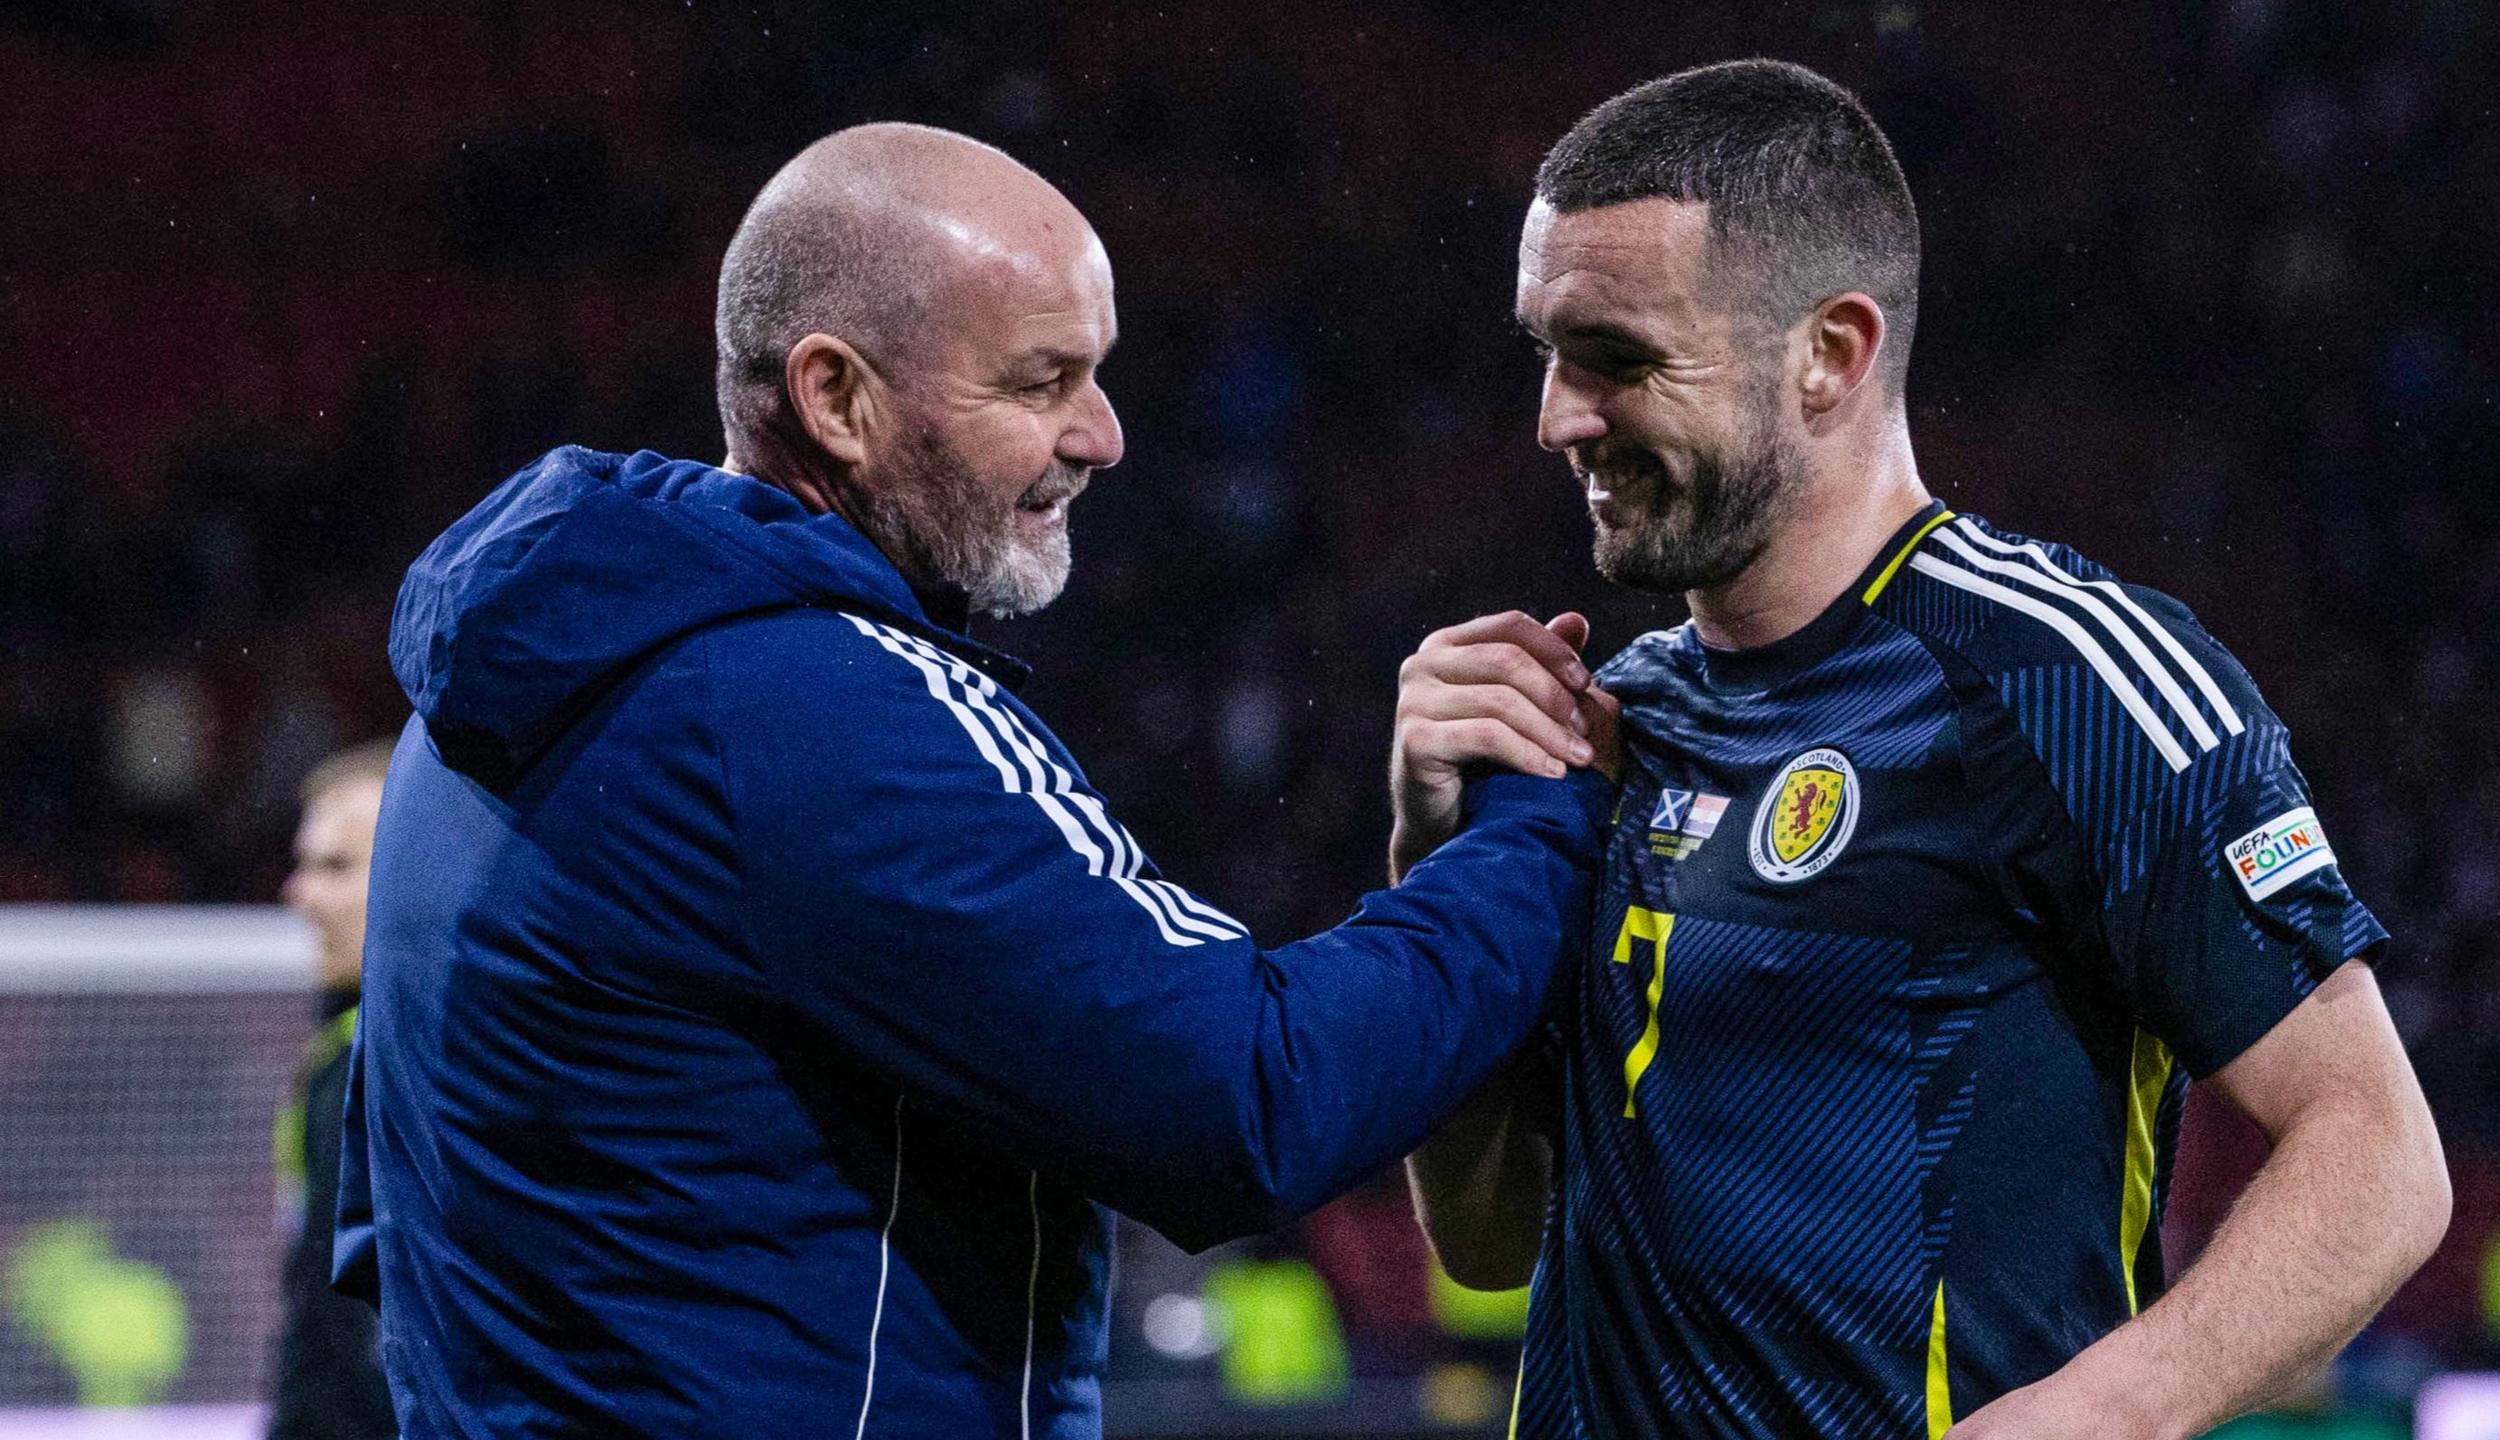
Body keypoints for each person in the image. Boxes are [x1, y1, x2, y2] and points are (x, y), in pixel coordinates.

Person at [330, 124, 1613, 1438]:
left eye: (1096, 374)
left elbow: (381, 1232)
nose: (1103, 435)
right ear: (837, 400)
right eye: (1041, 381)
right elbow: (1247, 1098)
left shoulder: (495, 694)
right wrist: (1539, 820)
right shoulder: (814, 707)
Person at [1395, 60, 2449, 1439]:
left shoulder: (2060, 678)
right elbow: (1489, 1241)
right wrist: (1430, 869)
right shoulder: (1609, 722)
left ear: (1830, 353)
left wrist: (2107, 1413)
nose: (1558, 418)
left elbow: (2378, 1155)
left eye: (1622, 360)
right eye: (1548, 352)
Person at [269, 740, 397, 1440]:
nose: (299, 891)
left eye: (336, 866)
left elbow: (344, 1331)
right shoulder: (344, 1046)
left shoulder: (379, 1067)